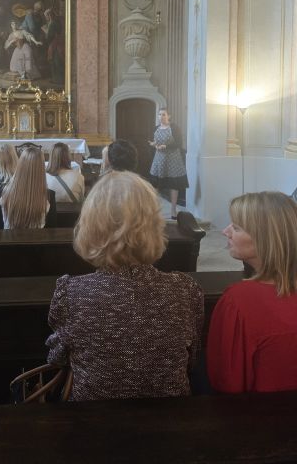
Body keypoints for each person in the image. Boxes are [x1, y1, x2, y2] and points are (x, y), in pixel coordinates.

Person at [46, 171, 203, 401]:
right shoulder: (184, 290)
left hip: (93, 416)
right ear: (155, 226)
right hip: (171, 416)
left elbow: (57, 358)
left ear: (91, 227)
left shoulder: (72, 294)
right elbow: (192, 359)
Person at [207, 191, 297, 394]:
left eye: (236, 227)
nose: (225, 232)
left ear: (265, 239)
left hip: (261, 412)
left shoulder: (238, 301)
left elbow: (226, 381)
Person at [0, 144, 57, 229]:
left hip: (9, 237)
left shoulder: (3, 190)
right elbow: (51, 228)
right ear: (41, 168)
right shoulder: (49, 195)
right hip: (38, 237)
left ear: (20, 165)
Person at [149, 108, 188, 219]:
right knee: (155, 184)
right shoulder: (156, 128)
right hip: (159, 158)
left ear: (169, 116)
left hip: (173, 159)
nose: (161, 117)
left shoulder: (174, 128)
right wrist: (154, 144)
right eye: (159, 114)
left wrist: (165, 146)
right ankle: (154, 210)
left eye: (164, 114)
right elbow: (154, 141)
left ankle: (173, 210)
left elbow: (179, 143)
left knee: (174, 185)